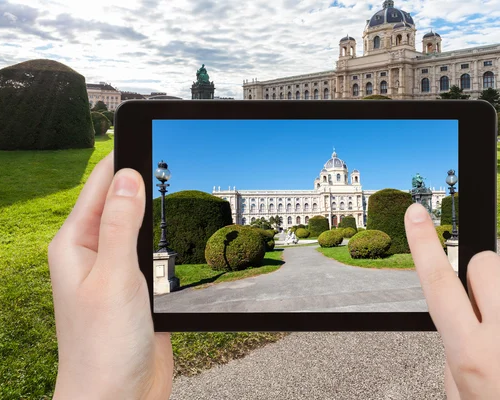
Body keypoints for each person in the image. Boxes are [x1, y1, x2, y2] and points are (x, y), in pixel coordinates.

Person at [48, 151, 500, 399]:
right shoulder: (316, 193)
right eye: (333, 180)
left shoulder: (353, 191)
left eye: (341, 180)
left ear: (347, 179)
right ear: (326, 180)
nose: (338, 187)